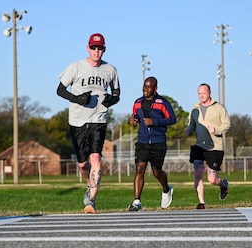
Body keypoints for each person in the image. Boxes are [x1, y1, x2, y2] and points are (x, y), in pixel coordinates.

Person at [57, 33, 120, 214]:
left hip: (98, 119)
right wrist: (77, 98)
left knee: (96, 158)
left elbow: (117, 93)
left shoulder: (111, 70)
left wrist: (112, 100)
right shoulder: (76, 67)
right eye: (93, 47)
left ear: (104, 50)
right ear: (88, 48)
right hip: (77, 120)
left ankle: (91, 200)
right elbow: (60, 90)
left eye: (100, 48)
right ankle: (89, 183)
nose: (96, 51)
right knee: (83, 164)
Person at [128, 77, 176, 211]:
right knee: (140, 168)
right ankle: (137, 202)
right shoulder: (137, 102)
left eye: (148, 87)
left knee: (156, 172)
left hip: (158, 142)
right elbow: (134, 117)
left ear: (155, 89)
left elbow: (172, 119)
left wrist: (154, 122)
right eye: (144, 86)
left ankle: (166, 189)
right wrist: (131, 121)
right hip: (142, 141)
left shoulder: (163, 102)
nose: (145, 89)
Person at [185, 83, 231, 210]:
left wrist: (216, 130)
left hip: (215, 147)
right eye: (199, 93)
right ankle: (202, 203)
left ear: (209, 92)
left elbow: (227, 124)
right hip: (199, 147)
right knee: (198, 174)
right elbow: (192, 124)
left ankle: (223, 185)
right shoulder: (195, 108)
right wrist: (189, 130)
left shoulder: (219, 108)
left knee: (212, 179)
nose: (201, 96)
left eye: (203, 93)